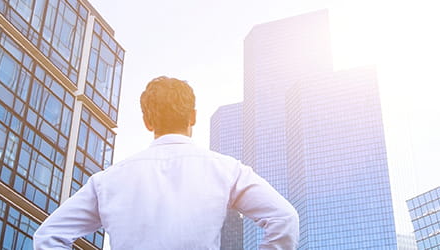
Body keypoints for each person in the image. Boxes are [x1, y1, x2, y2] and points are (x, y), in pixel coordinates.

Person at [34, 76, 299, 249]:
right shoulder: (227, 170)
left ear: (147, 122)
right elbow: (284, 218)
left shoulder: (107, 181)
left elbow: (47, 236)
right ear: (193, 117)